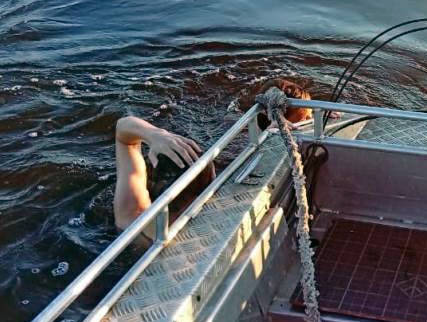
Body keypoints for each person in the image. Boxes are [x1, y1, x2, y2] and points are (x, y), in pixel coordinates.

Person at [113, 79, 312, 232]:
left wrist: (156, 135)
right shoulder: (223, 221)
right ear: (210, 183)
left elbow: (123, 130)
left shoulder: (130, 218)